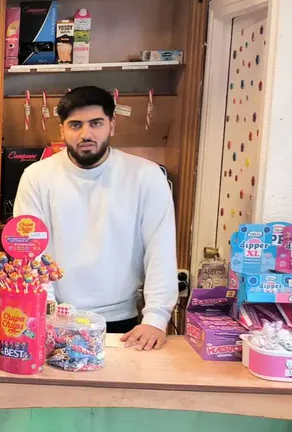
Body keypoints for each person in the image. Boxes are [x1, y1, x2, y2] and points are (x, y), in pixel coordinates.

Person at [13, 86, 178, 351]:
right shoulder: (37, 177)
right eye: (75, 125)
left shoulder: (145, 176)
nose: (86, 134)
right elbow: (31, 253)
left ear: (112, 125)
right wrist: (46, 308)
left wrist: (157, 318)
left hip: (123, 324)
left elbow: (160, 249)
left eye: (96, 123)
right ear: (62, 130)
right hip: (54, 318)